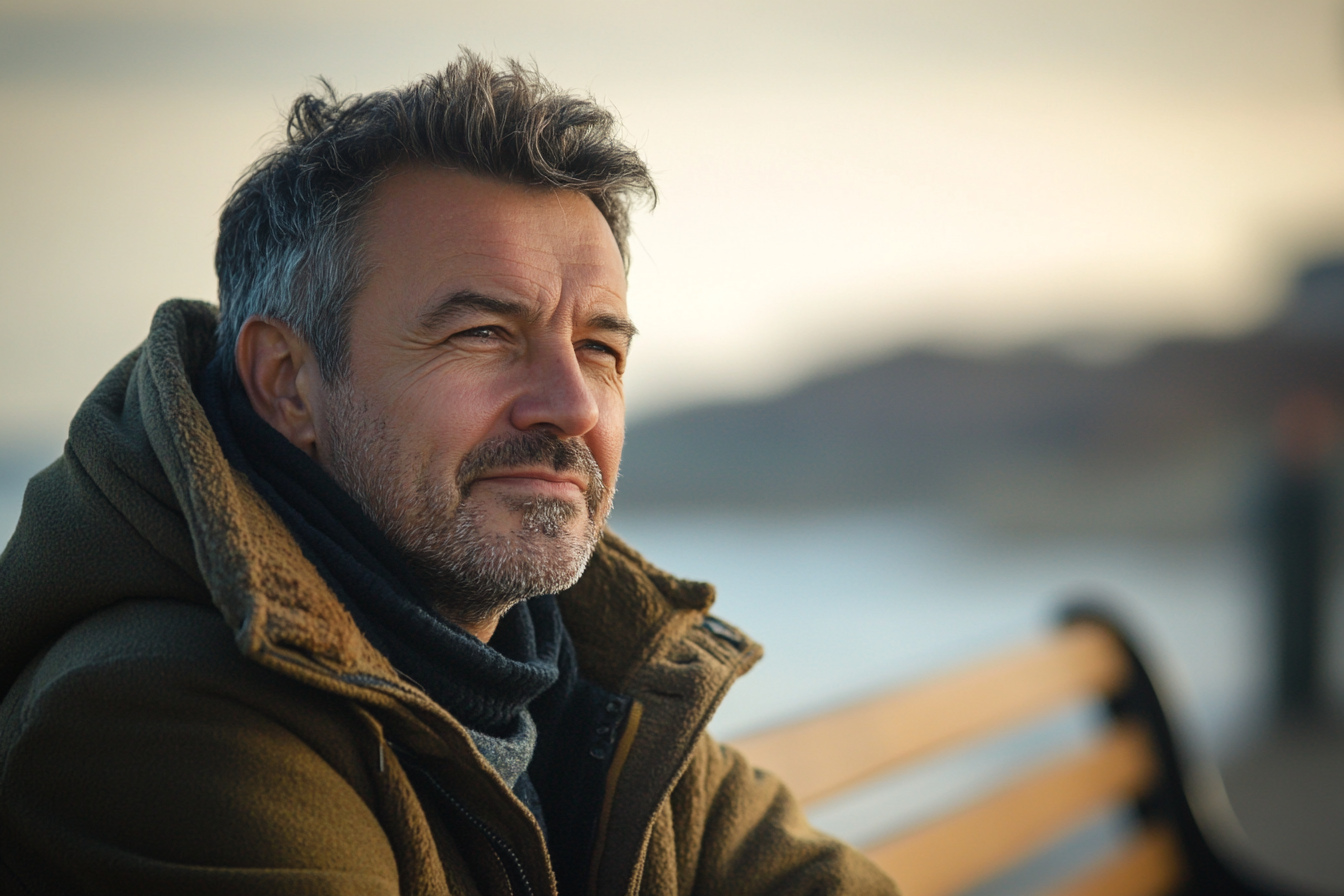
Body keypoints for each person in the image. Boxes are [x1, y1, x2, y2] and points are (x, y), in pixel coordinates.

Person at [0, 53, 896, 895]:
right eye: (483, 334)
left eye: (599, 348)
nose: (571, 404)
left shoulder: (571, 665)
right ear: (288, 384)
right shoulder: (153, 722)